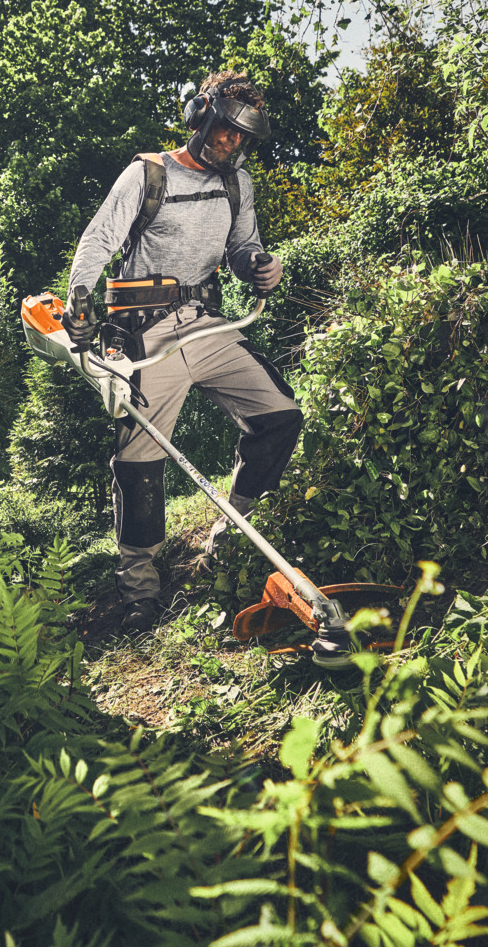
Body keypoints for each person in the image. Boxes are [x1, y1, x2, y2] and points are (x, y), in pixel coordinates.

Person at [61, 71, 329, 640]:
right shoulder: (148, 174)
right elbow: (98, 238)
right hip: (145, 333)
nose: (230, 142)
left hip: (207, 326)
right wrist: (79, 299)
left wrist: (260, 265)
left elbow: (242, 247)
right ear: (199, 113)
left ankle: (229, 536)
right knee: (139, 463)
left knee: (281, 417)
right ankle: (139, 589)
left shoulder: (239, 184)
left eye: (241, 137)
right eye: (224, 129)